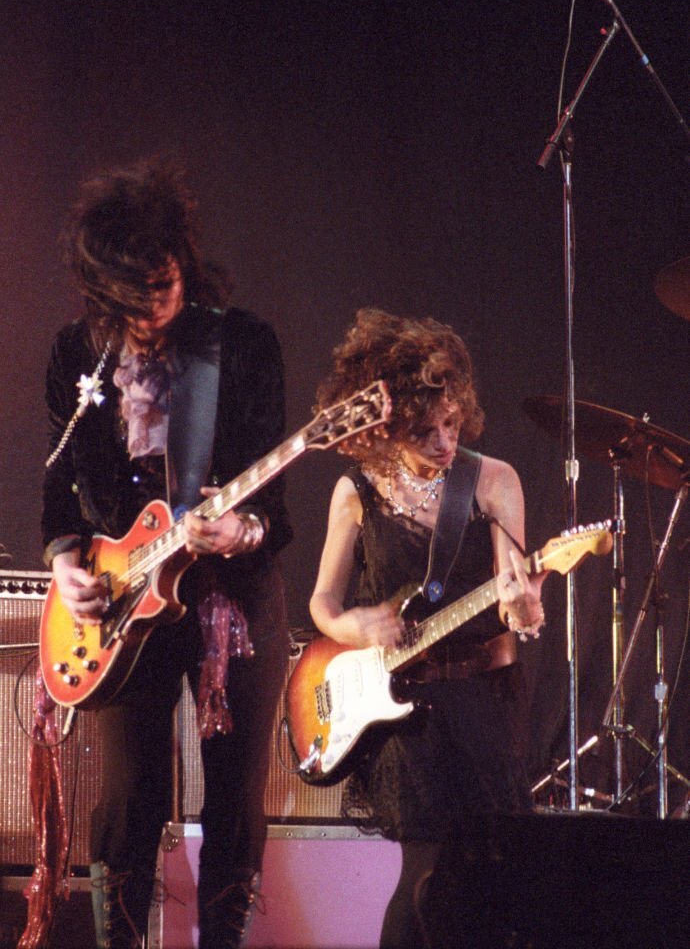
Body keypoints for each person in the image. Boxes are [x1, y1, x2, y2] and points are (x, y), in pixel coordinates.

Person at [41, 157, 292, 949]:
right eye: (132, 296)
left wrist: (241, 531)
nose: (153, 308)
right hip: (123, 606)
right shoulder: (76, 354)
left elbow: (275, 512)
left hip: (233, 597)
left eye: (165, 285)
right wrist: (64, 561)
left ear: (184, 260)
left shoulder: (242, 345)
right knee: (128, 799)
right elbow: (59, 485)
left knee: (234, 801)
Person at [309, 308, 546, 949]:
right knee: (424, 868)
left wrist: (525, 609)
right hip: (405, 709)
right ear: (386, 426)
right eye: (423, 429)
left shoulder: (493, 480)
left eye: (450, 422)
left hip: (482, 699)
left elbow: (514, 595)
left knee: (494, 872)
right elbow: (322, 606)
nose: (444, 441)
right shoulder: (356, 490)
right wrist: (355, 624)